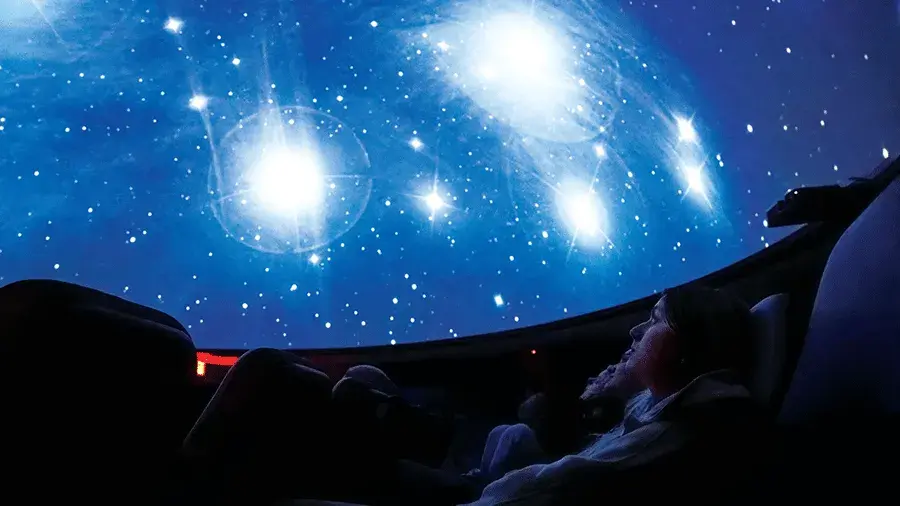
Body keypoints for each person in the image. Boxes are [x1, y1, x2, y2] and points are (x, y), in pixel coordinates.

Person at [462, 284, 758, 505]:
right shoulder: (655, 406)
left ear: (688, 343)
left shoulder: (667, 434)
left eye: (655, 320)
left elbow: (548, 487)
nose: (635, 331)